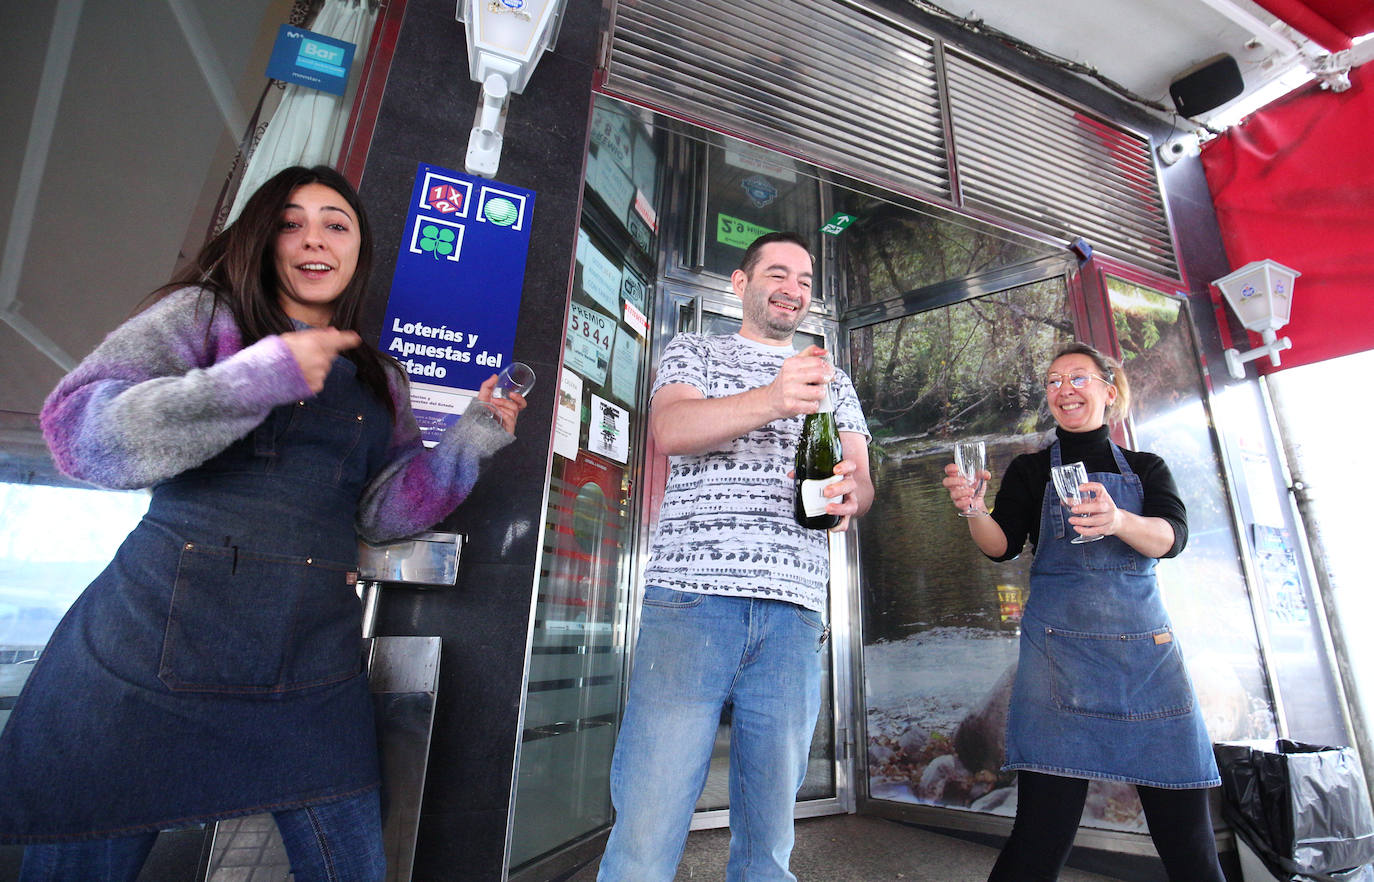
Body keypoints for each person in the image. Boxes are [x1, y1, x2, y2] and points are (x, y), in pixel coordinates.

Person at [0, 165, 525, 881]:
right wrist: (258, 376)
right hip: (149, 643)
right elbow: (78, 435)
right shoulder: (204, 315)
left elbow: (382, 514)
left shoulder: (381, 376)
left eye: (336, 224)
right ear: (262, 239)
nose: (314, 238)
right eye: (291, 221)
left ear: (357, 253)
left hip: (308, 654)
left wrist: (471, 436)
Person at [597, 232, 874, 882]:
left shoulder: (835, 381)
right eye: (777, 273)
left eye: (804, 280)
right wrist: (775, 398)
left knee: (770, 841)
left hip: (795, 615)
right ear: (740, 283)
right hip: (693, 600)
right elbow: (672, 429)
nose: (792, 289)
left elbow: (859, 477)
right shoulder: (695, 350)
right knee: (647, 822)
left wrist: (844, 496)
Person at [941, 342, 1224, 882]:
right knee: (1040, 833)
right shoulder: (1029, 470)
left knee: (1188, 839)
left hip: (1146, 662)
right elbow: (1002, 545)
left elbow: (1172, 537)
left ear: (1108, 391)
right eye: (1052, 381)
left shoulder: (1145, 468)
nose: (1063, 389)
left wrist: (1119, 521)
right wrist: (974, 509)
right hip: (1059, 661)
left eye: (1078, 378)